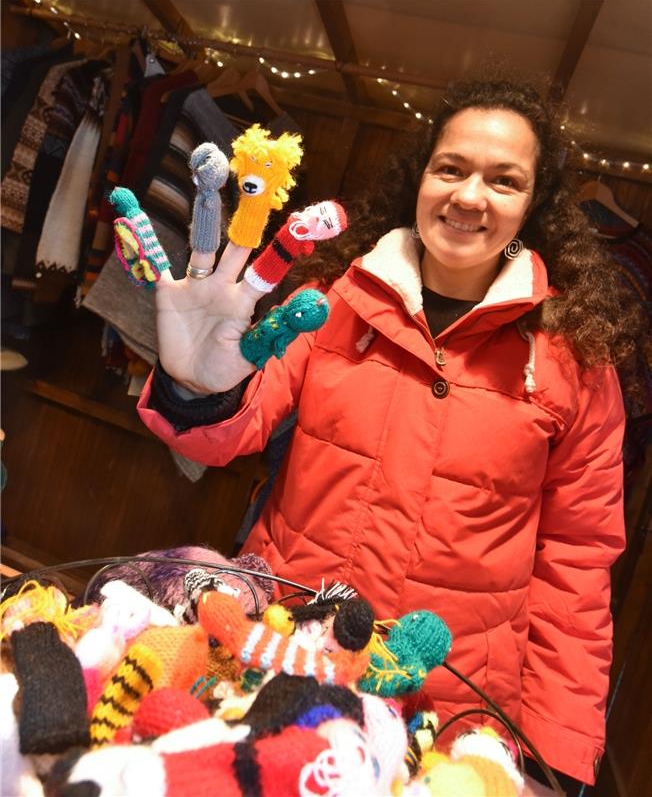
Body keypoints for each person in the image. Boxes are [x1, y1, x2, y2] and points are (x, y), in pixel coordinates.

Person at [136, 77, 647, 790]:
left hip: (449, 712)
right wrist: (194, 384)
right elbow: (230, 430)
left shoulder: (573, 362)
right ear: (421, 178)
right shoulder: (334, 299)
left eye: (504, 180)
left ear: (534, 205)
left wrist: (554, 759)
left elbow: (577, 569)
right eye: (452, 168)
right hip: (286, 654)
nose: (470, 196)